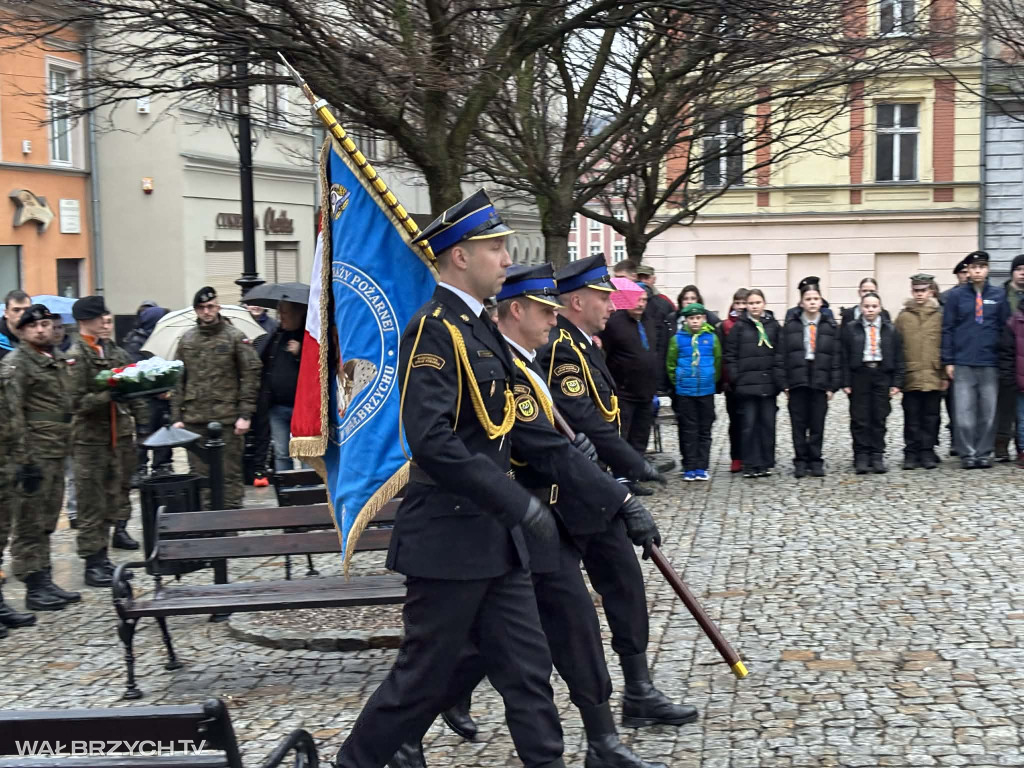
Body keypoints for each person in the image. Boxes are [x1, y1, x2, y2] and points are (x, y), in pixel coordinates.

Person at [334, 190, 569, 768]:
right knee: (420, 678)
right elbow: (431, 440)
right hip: (450, 540)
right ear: (460, 256)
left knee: (528, 670)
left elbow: (505, 423)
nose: (506, 260)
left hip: (495, 540)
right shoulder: (433, 329)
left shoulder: (477, 326)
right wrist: (514, 501)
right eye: (496, 248)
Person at [403, 264, 669, 768]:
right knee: (469, 650)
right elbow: (547, 450)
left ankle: (602, 741)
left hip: (542, 522)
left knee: (560, 633)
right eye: (546, 311)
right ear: (517, 311)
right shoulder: (508, 370)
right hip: (517, 522)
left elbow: (562, 444)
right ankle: (401, 734)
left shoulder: (525, 368)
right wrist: (622, 498)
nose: (555, 320)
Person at [540, 253, 692, 730]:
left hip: (596, 487)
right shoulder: (558, 346)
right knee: (535, 609)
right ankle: (449, 693)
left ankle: (639, 690)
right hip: (566, 493)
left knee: (625, 583)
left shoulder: (586, 344)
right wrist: (635, 464)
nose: (611, 305)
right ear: (576, 300)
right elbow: (582, 419)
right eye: (603, 296)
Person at [0, 305, 81, 611]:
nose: (41, 330)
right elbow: (12, 413)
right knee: (29, 521)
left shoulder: (56, 360)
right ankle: (33, 582)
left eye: (46, 324)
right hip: (34, 452)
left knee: (47, 519)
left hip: (57, 449)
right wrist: (24, 459)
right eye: (34, 327)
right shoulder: (17, 363)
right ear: (21, 332)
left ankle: (45, 577)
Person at [67, 297, 148, 588]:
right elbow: (75, 402)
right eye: (99, 317)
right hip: (90, 442)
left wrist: (142, 415)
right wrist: (107, 395)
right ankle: (92, 561)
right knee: (92, 503)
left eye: (106, 316)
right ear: (84, 321)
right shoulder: (77, 355)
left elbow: (132, 381)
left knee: (114, 496)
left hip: (118, 436)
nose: (105, 321)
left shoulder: (112, 350)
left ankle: (103, 559)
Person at [171, 287, 262, 509]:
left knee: (229, 475)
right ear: (196, 311)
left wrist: (245, 414)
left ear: (218, 307)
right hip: (194, 419)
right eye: (202, 308)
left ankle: (230, 525)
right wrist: (176, 416)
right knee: (200, 477)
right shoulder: (187, 339)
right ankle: (205, 527)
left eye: (210, 306)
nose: (207, 311)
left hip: (227, 419)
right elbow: (177, 378)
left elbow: (250, 375)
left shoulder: (235, 337)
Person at [941, 251, 1009, 469]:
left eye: (982, 266)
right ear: (967, 271)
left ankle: (983, 452)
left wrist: (1002, 359)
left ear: (987, 270)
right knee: (964, 412)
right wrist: (948, 360)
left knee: (988, 412)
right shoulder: (956, 297)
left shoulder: (998, 296)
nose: (978, 270)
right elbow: (948, 329)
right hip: (963, 361)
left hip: (989, 361)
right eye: (973, 267)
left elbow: (1004, 329)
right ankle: (967, 453)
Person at [781, 282, 841, 478]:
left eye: (815, 299)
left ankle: (815, 460)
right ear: (801, 302)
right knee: (798, 423)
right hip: (798, 378)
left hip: (820, 377)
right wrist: (785, 384)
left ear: (821, 301)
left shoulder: (830, 326)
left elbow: (836, 356)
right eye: (808, 299)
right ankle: (800, 460)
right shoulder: (791, 325)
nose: (812, 302)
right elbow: (782, 356)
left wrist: (833, 386)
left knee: (817, 423)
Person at [841, 292, 904, 474]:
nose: (870, 310)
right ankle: (861, 454)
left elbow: (899, 356)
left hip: (881, 374)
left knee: (879, 417)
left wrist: (897, 381)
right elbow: (844, 356)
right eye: (867, 306)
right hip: (859, 374)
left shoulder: (889, 329)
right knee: (860, 418)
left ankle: (876, 454)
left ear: (880, 308)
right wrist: (846, 381)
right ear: (861, 308)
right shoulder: (852, 328)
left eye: (874, 306)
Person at [723, 289, 784, 478]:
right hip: (746, 386)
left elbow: (780, 354)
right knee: (748, 425)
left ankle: (765, 462)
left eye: (758, 302)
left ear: (764, 304)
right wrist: (736, 377)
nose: (754, 306)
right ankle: (750, 463)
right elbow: (730, 354)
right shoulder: (739, 328)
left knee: (767, 425)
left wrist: (778, 379)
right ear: (746, 306)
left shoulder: (773, 326)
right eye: (751, 303)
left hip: (768, 385)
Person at [895, 274, 947, 470]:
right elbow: (896, 346)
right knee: (911, 416)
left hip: (933, 375)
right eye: (916, 291)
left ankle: (927, 450)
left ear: (930, 291)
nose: (919, 294)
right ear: (912, 291)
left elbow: (945, 345)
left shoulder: (939, 316)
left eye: (923, 290)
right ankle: (911, 451)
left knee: (931, 416)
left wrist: (943, 374)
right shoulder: (903, 317)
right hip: (911, 374)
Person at [600, 290, 659, 455]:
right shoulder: (614, 323)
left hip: (646, 391)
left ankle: (637, 469)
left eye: (644, 300)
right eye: (637, 300)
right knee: (623, 435)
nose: (640, 304)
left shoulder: (649, 321)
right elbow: (605, 354)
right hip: (624, 392)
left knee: (641, 436)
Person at [667, 302, 720, 481]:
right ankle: (689, 465)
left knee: (705, 430)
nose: (695, 322)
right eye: (691, 318)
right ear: (686, 320)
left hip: (706, 390)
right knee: (689, 430)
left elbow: (718, 361)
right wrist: (679, 381)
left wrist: (711, 378)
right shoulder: (677, 339)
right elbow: (671, 363)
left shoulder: (711, 338)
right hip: (685, 392)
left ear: (703, 319)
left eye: (698, 318)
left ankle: (702, 466)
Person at [255, 300, 306, 473]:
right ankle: (286, 492)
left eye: (285, 313)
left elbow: (321, 368)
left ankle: (310, 492)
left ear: (298, 314)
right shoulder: (276, 336)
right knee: (282, 453)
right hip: (277, 408)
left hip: (303, 409)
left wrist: (302, 353)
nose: (280, 317)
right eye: (279, 313)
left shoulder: (309, 337)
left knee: (307, 453)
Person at [123, 305, 173, 478]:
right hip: (144, 399)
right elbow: (137, 372)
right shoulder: (136, 343)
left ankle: (162, 465)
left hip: (162, 398)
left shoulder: (160, 339)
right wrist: (155, 389)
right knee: (144, 432)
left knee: (164, 430)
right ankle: (140, 468)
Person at [995, 254, 1024, 461]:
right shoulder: (1001, 295)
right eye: (1019, 269)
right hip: (1005, 352)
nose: (1023, 273)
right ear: (1012, 272)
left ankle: (1021, 446)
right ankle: (1002, 444)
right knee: (1004, 404)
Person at [717, 289, 749, 473]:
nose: (742, 306)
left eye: (744, 302)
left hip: (752, 381)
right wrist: (725, 380)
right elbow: (723, 355)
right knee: (735, 422)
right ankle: (736, 456)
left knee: (752, 421)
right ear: (733, 304)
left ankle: (751, 454)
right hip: (733, 384)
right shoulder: (725, 326)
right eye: (738, 303)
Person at [635, 263, 676, 394]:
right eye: (640, 278)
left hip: (660, 362)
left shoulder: (664, 302)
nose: (643, 281)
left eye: (646, 278)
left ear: (653, 279)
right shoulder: (628, 305)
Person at [999, 288, 1024, 469]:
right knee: (1022, 419)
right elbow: (1007, 352)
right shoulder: (1015, 321)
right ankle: (1023, 450)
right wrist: (1009, 377)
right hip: (1020, 380)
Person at [0, 289, 30, 360]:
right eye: (16, 310)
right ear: (6, 313)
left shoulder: (39, 334)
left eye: (26, 309)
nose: (22, 314)